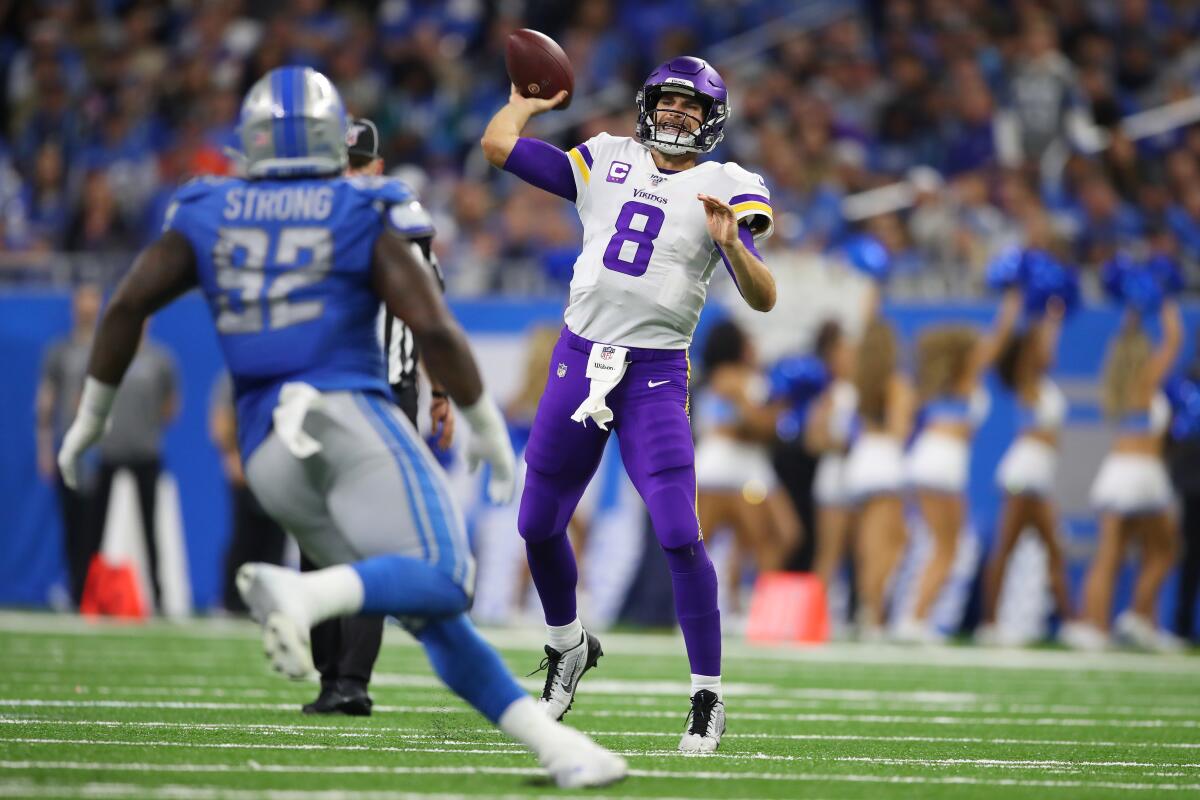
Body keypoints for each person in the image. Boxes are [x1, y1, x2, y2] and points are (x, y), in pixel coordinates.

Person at [56, 66, 626, 789]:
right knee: (447, 576)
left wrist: (89, 420)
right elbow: (432, 325)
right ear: (330, 137)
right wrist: (481, 418)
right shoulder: (367, 206)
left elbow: (125, 309)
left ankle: (558, 750)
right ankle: (302, 596)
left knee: (422, 606)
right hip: (350, 413)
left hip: (268, 446)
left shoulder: (208, 206)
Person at [481, 56, 777, 752]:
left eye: (691, 106)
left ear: (712, 119)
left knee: (678, 528)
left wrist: (733, 247)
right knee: (537, 522)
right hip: (579, 359)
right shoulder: (605, 157)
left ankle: (707, 696)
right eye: (668, 102)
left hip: (654, 373)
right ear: (648, 106)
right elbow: (497, 147)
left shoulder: (729, 186)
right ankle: (567, 646)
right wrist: (525, 103)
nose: (677, 114)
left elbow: (765, 298)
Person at [297, 117, 455, 718]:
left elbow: (430, 318)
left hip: (387, 391)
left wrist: (439, 393)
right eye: (341, 166)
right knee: (315, 530)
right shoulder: (311, 226)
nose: (349, 176)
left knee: (368, 538)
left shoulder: (402, 228)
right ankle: (330, 670)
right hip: (323, 391)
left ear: (376, 168)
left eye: (358, 165)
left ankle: (351, 679)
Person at [897, 290, 1020, 643]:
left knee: (941, 545)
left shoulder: (941, 379)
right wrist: (1012, 304)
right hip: (945, 459)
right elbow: (996, 341)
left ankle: (915, 618)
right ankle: (915, 620)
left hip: (925, 457)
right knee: (948, 548)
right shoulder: (965, 374)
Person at [1065, 295, 1183, 652]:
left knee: (1112, 554)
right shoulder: (1145, 380)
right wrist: (1164, 299)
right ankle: (1137, 618)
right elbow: (1175, 340)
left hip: (1118, 473)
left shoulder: (1121, 382)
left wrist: (1134, 311)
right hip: (1142, 475)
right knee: (1163, 550)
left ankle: (1098, 626)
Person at [979, 297, 1073, 644]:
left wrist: (1055, 321)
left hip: (1038, 475)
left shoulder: (1044, 384)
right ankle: (990, 623)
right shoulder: (1028, 379)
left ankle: (1070, 623)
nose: (1048, 350)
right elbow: (1036, 347)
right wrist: (1042, 317)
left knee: (1049, 549)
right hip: (1023, 473)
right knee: (1009, 547)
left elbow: (1046, 347)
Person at [693, 319, 801, 616]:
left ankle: (743, 609)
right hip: (730, 470)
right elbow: (755, 425)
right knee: (762, 539)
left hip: (739, 469)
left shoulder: (726, 378)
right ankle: (744, 611)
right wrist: (775, 417)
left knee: (768, 538)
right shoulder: (733, 378)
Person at [842, 316, 914, 639]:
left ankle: (868, 610)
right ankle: (873, 614)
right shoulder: (896, 384)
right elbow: (900, 431)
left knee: (872, 542)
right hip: (884, 462)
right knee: (889, 543)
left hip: (861, 460)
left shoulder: (859, 383)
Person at [36, 283, 102, 606]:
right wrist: (45, 447)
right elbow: (46, 402)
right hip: (69, 447)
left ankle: (95, 590)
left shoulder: (108, 347)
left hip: (102, 449)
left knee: (97, 524)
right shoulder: (60, 350)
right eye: (83, 302)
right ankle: (76, 589)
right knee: (71, 521)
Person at [211, 371, 288, 614]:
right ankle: (232, 602)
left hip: (279, 468)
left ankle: (270, 601)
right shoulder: (234, 375)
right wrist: (231, 455)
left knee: (275, 539)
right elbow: (221, 417)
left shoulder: (285, 374)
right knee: (245, 537)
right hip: (247, 464)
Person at [806, 320, 858, 614]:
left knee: (863, 552)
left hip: (860, 478)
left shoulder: (862, 390)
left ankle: (858, 614)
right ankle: (814, 616)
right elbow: (814, 441)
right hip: (834, 479)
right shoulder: (828, 395)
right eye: (844, 353)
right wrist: (846, 444)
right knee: (829, 553)